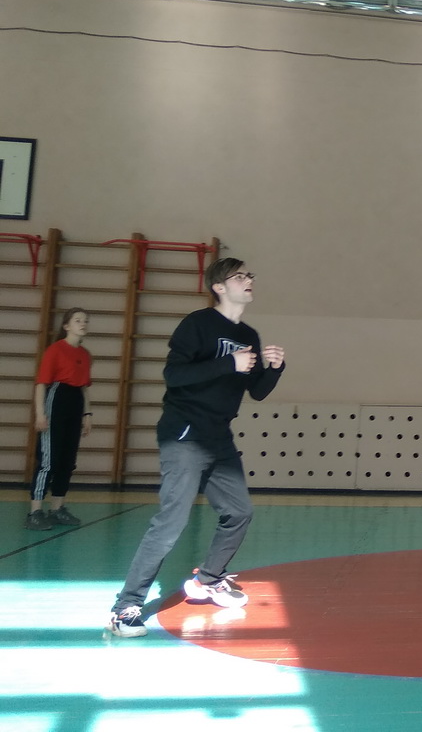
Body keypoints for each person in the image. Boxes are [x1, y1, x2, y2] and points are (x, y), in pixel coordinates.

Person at [106, 258, 285, 638]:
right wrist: (227, 362)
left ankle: (208, 580)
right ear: (219, 286)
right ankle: (125, 608)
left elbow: (257, 391)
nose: (249, 280)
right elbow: (174, 375)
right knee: (171, 522)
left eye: (250, 275)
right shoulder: (197, 324)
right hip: (185, 433)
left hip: (219, 437)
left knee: (239, 512)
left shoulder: (249, 335)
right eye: (240, 276)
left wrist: (274, 369)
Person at [26, 307, 93, 531]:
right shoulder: (55, 350)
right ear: (66, 326)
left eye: (85, 321)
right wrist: (40, 414)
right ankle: (35, 512)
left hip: (75, 404)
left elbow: (84, 388)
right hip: (56, 402)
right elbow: (41, 384)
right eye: (78, 320)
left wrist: (87, 414)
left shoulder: (85, 355)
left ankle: (57, 509)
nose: (83, 324)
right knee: (49, 462)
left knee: (67, 461)